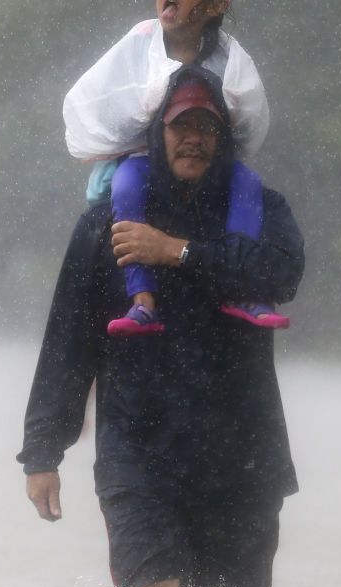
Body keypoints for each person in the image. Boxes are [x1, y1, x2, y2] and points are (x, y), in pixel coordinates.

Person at [20, 67, 304, 587]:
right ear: (157, 134)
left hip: (241, 450)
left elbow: (281, 273)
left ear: (224, 137)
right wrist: (42, 451)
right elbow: (69, 339)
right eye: (180, 126)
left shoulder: (262, 211)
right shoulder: (109, 224)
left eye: (206, 125)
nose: (193, 137)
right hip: (140, 448)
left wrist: (176, 252)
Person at [64, 0, 290, 337]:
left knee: (247, 182)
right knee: (125, 184)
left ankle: (242, 291)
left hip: (211, 171)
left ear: (217, 6)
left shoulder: (230, 58)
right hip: (143, 160)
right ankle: (142, 299)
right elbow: (95, 105)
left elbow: (249, 123)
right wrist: (157, 120)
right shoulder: (139, 42)